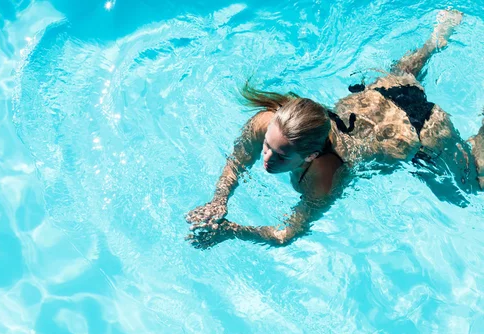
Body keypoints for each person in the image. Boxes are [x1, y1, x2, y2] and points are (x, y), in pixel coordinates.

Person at [186, 9, 484, 249]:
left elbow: (285, 235)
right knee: (403, 75)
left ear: (310, 156)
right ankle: (436, 38)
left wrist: (231, 232)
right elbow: (236, 160)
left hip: (421, 131)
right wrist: (218, 200)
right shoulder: (270, 122)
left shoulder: (323, 177)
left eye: (280, 156)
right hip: (383, 94)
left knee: (471, 186)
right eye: (267, 146)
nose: (266, 159)